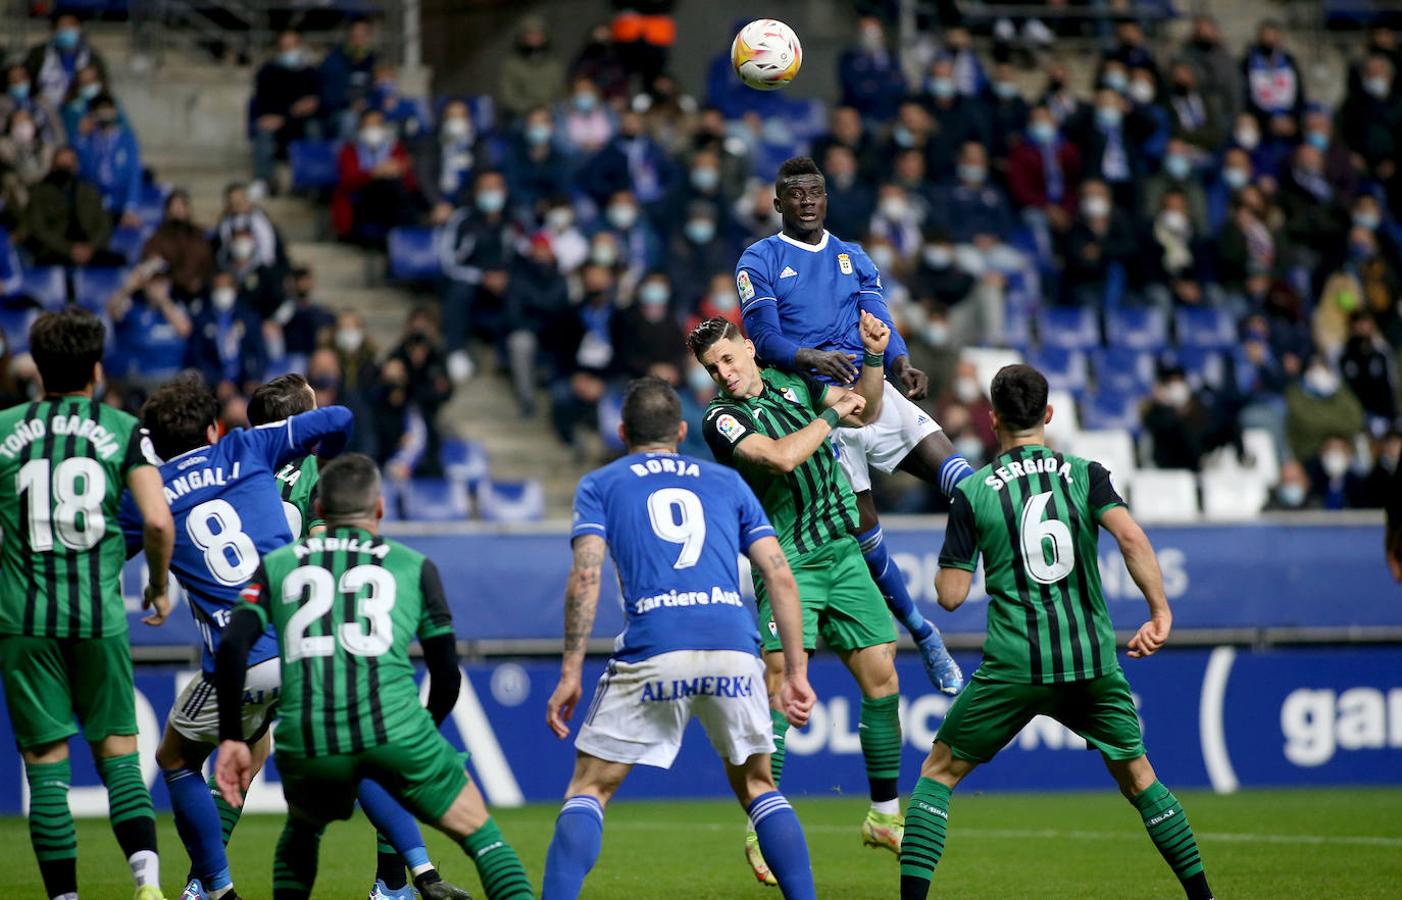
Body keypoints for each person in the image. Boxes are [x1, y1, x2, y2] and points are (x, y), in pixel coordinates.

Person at [898, 363, 1214, 900]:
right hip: (1090, 659)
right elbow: (1132, 538)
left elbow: (950, 597)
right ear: (1048, 414)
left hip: (1014, 666)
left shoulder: (974, 491)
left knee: (938, 774)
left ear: (992, 419)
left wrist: (963, 554)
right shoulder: (1085, 472)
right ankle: (1203, 897)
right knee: (1140, 779)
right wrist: (1159, 612)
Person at [541, 377, 817, 898]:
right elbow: (779, 574)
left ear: (622, 432)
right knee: (758, 785)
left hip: (655, 645)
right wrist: (796, 672)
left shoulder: (601, 484)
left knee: (590, 788)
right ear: (682, 430)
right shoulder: (726, 483)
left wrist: (570, 672)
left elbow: (586, 576)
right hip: (734, 646)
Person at [213, 454, 533, 900]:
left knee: (301, 835)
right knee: (483, 836)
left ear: (319, 511)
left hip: (309, 736)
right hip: (395, 728)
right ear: (379, 508)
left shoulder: (278, 565)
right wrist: (428, 731)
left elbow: (231, 646)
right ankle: (403, 879)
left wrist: (231, 735)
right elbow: (446, 674)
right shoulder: (414, 566)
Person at [736, 155, 968, 693]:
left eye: (815, 192)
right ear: (778, 203)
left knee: (965, 482)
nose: (808, 201)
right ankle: (922, 630)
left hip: (870, 382)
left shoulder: (853, 256)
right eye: (796, 194)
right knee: (865, 527)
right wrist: (812, 358)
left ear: (826, 198)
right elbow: (765, 340)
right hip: (814, 408)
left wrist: (901, 361)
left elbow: (878, 319)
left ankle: (960, 560)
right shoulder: (760, 259)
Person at [689, 314, 907, 883]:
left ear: (750, 349)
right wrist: (832, 415)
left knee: (883, 677)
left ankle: (884, 816)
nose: (725, 373)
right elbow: (781, 457)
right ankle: (762, 830)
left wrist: (875, 359)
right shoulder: (721, 418)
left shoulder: (794, 382)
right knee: (780, 680)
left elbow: (868, 408)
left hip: (841, 548)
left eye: (729, 359)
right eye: (714, 368)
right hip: (786, 558)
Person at [0, 309, 175, 900]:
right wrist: (156, 583)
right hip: (98, 617)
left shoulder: (2, 430)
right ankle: (147, 886)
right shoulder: (125, 429)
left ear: (36, 370)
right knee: (120, 755)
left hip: (23, 620)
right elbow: (155, 519)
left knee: (46, 766)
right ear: (96, 371)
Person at [250, 30, 322, 194]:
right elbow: (263, 103)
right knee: (263, 130)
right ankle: (265, 182)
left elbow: (316, 103)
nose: (288, 50)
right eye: (284, 47)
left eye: (292, 46)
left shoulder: (311, 72)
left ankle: (311, 182)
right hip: (276, 121)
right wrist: (288, 113)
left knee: (314, 130)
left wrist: (291, 114)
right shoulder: (267, 72)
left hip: (302, 123)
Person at [24, 145, 120, 266]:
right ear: (53, 165)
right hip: (55, 251)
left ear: (75, 165)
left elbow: (104, 224)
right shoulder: (38, 192)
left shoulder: (89, 190)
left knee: (118, 261)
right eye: (61, 163)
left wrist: (91, 247)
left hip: (90, 249)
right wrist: (69, 249)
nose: (66, 167)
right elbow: (38, 228)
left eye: (69, 162)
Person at [141, 190, 215, 301]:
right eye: (174, 205)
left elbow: (208, 261)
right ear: (167, 211)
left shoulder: (198, 235)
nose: (178, 209)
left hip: (200, 289)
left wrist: (201, 280)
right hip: (171, 291)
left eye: (181, 205)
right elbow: (152, 263)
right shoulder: (158, 238)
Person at [24, 12, 108, 108]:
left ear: (79, 28)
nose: (67, 30)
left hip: (81, 108)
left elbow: (102, 85)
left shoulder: (92, 56)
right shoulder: (38, 54)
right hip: (45, 108)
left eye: (71, 25)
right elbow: (27, 81)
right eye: (63, 26)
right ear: (54, 30)